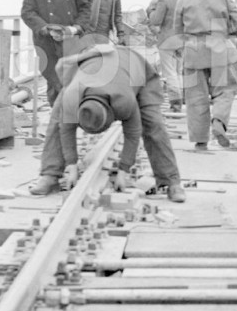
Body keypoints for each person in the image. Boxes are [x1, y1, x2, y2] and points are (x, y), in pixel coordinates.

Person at [28, 42, 186, 201]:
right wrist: (72, 165)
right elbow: (66, 129)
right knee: (57, 119)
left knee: (153, 124)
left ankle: (170, 181)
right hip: (93, 70)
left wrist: (123, 171)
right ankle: (50, 174)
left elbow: (133, 134)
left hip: (135, 68)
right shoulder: (72, 97)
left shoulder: (123, 102)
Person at [175, 0, 237, 149]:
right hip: (219, 50)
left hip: (193, 52)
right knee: (225, 90)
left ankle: (200, 141)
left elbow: (177, 31)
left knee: (195, 96)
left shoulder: (183, 0)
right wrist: (229, 33)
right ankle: (219, 122)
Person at [20, 0, 90, 105]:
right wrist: (46, 28)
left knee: (71, 78)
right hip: (46, 43)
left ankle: (66, 116)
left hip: (70, 41)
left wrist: (76, 28)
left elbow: (85, 10)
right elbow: (27, 12)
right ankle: (59, 116)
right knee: (54, 79)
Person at [147, 0, 187, 112]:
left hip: (167, 41)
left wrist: (151, 11)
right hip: (184, 40)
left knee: (170, 72)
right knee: (179, 70)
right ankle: (182, 100)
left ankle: (176, 104)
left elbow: (156, 20)